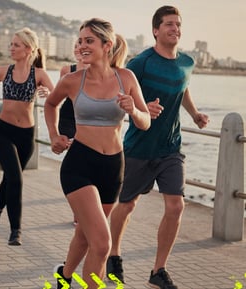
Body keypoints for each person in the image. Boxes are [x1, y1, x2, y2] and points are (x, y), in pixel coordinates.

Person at [107, 6, 209, 289]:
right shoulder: (141, 63)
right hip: (139, 147)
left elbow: (183, 86)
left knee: (176, 206)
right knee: (126, 205)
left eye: (178, 24)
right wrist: (142, 108)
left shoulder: (187, 62)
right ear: (156, 30)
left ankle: (158, 270)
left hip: (170, 148)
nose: (175, 28)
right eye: (169, 24)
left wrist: (195, 114)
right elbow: (120, 95)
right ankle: (113, 254)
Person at [44, 18, 151, 289]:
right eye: (80, 41)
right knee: (102, 244)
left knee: (85, 234)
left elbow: (145, 121)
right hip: (79, 165)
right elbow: (50, 104)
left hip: (113, 167)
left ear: (107, 45)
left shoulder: (125, 78)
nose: (82, 45)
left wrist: (133, 109)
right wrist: (55, 135)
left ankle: (64, 277)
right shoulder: (71, 80)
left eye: (89, 40)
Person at [0, 27, 54, 246]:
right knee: (16, 178)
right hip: (2, 132)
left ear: (29, 49)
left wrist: (47, 93)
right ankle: (16, 231)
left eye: (16, 45)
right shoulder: (2, 71)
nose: (11, 48)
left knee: (10, 178)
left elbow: (55, 98)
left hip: (26, 136)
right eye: (11, 44)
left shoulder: (39, 74)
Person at [58, 40, 89, 227]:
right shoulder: (66, 70)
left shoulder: (97, 70)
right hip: (69, 120)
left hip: (87, 121)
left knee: (87, 164)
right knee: (77, 165)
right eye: (76, 45)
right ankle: (78, 212)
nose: (78, 48)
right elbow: (58, 96)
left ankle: (84, 209)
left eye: (82, 45)